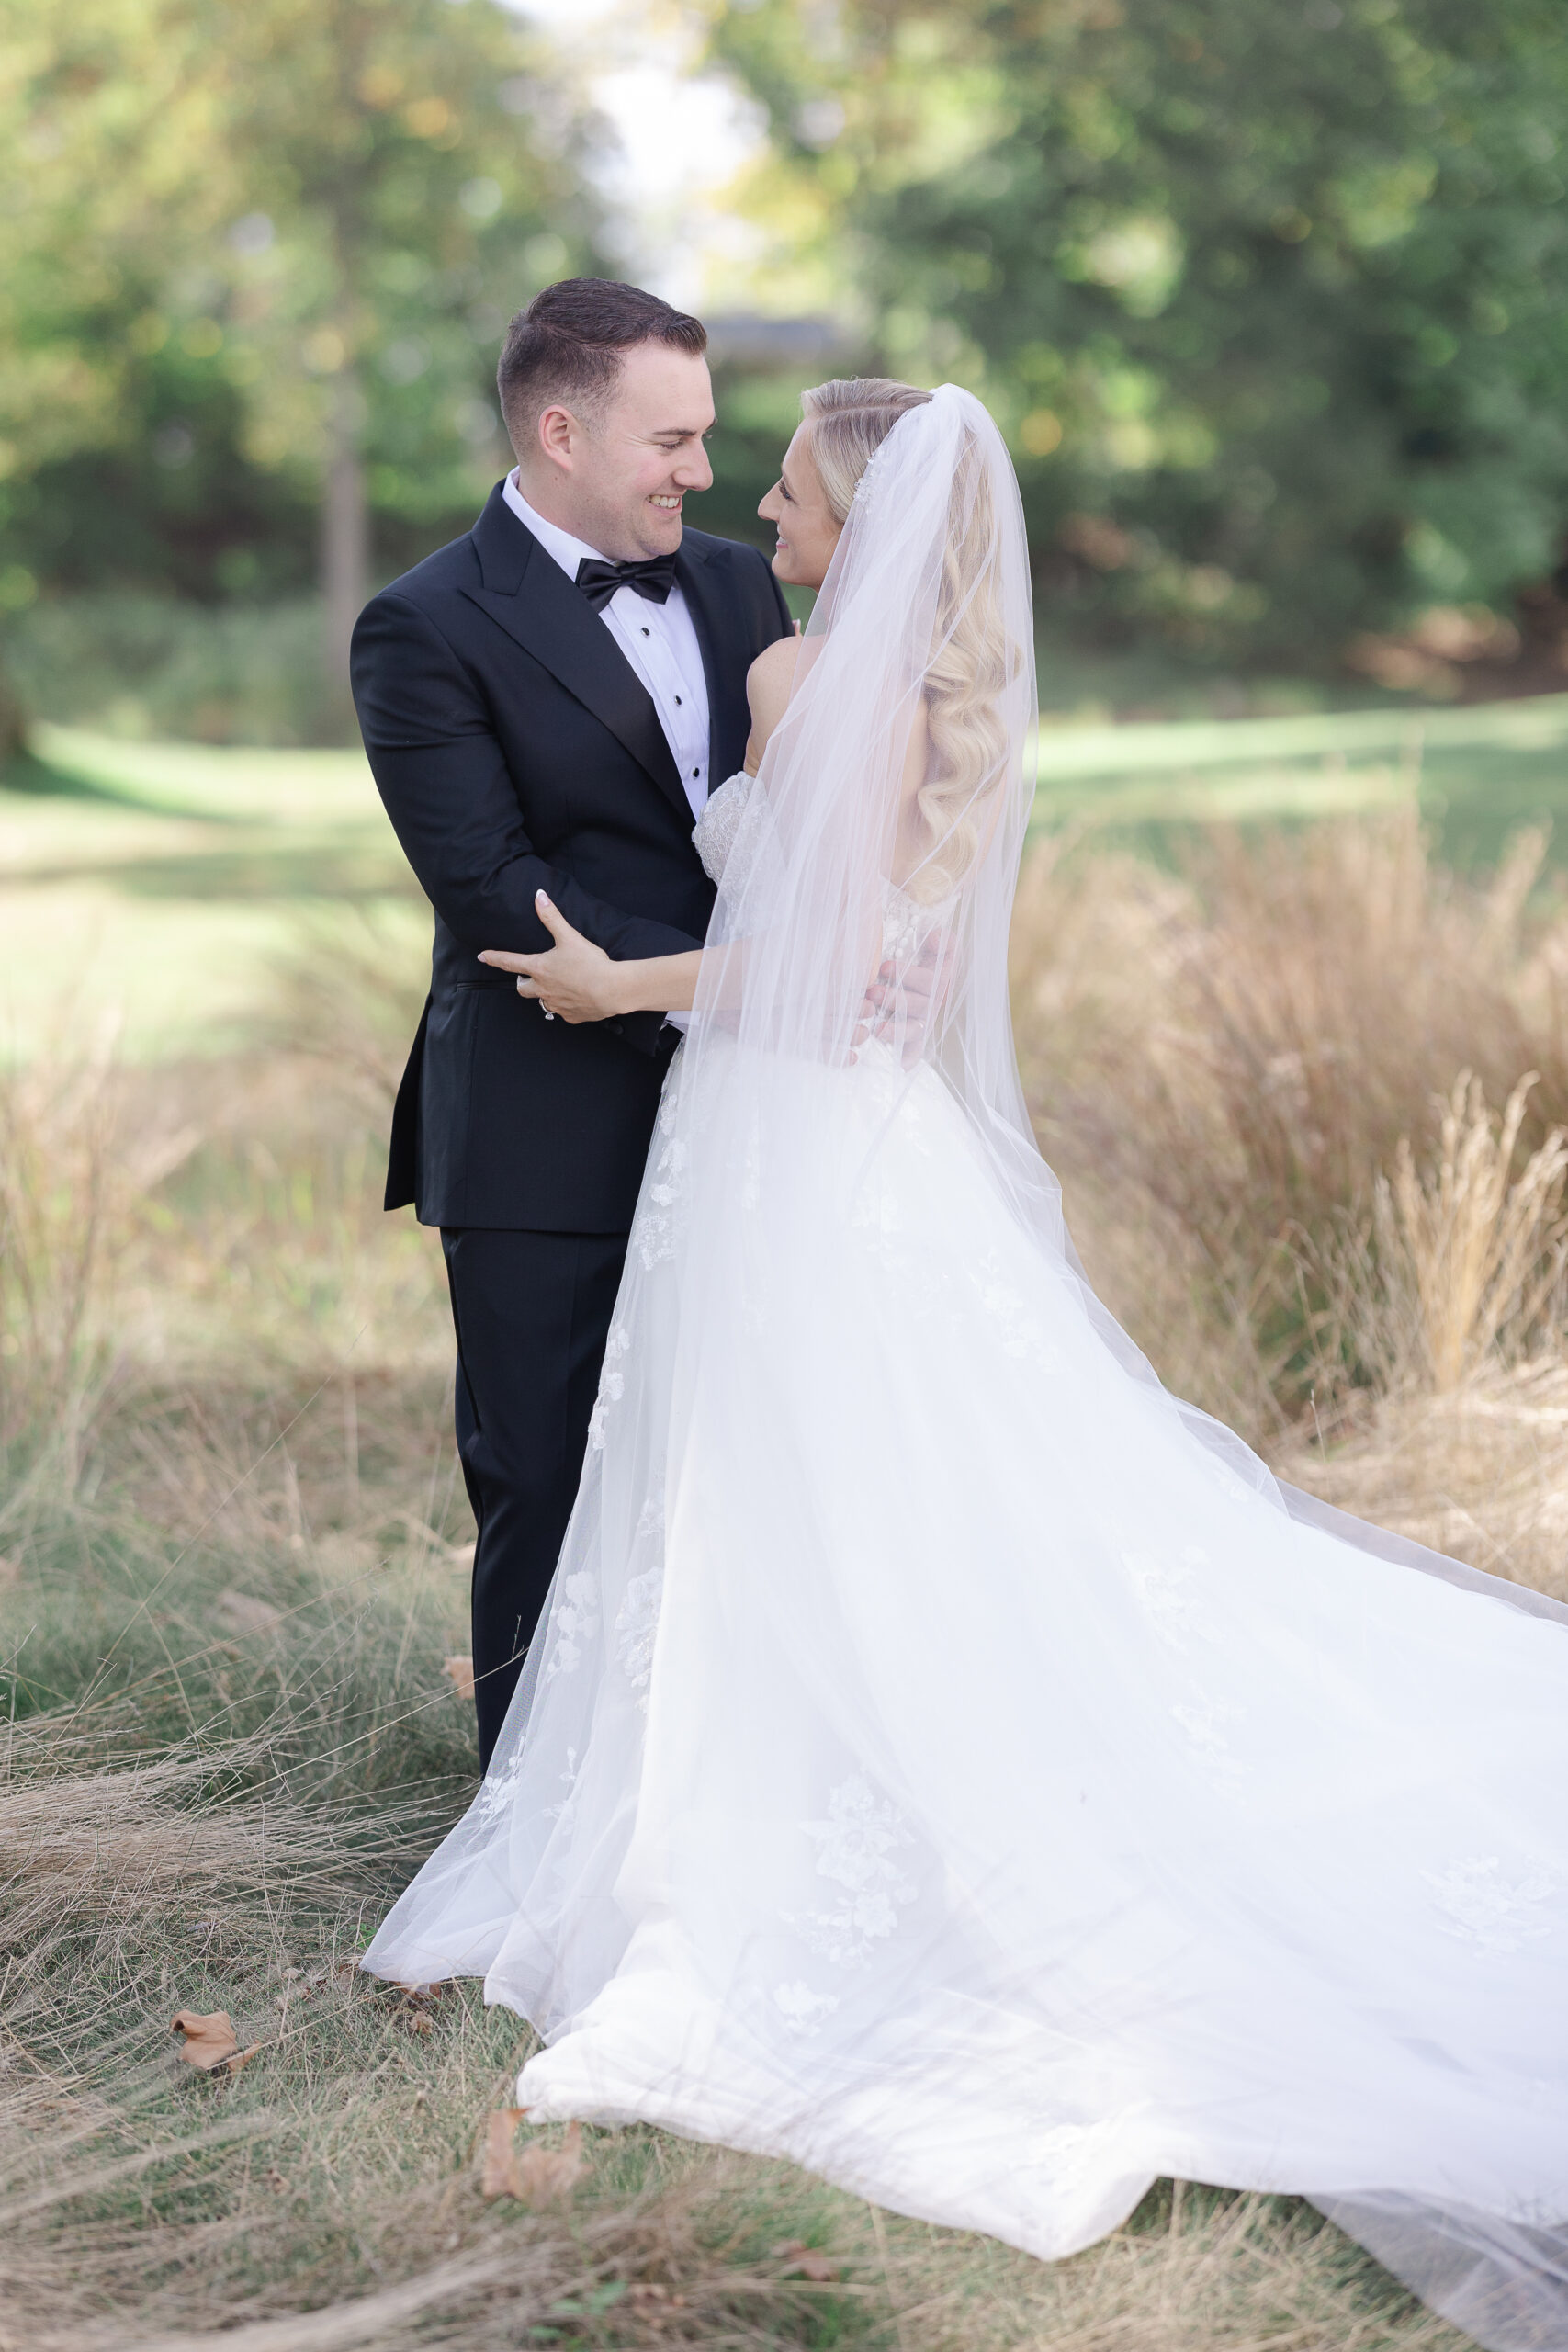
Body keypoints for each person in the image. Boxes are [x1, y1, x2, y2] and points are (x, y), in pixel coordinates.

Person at [365, 380, 1568, 2352]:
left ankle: (800, 1821)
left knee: (800, 1488)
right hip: (842, 1150)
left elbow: (829, 965)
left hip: (780, 1139)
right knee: (829, 1491)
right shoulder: (952, 709)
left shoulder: (802, 692)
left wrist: (620, 980)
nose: (749, 504)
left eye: (778, 482)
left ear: (857, 514)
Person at [350, 279, 793, 1769]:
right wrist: (754, 982)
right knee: (544, 1473)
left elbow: (806, 835)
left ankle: (708, 1796)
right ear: (559, 430)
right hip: (542, 1123)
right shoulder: (419, 627)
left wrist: (786, 986)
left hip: (756, 1114)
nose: (703, 471)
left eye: (709, 436)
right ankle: (526, 1831)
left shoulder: (743, 588)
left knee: (737, 1469)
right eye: (672, 438)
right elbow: (497, 889)